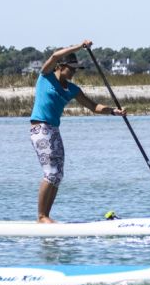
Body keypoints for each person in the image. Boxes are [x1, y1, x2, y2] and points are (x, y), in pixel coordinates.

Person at [30, 40, 126, 223]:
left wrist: (113, 111)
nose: (74, 72)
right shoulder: (46, 76)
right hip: (40, 129)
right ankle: (41, 216)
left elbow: (93, 106)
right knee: (50, 172)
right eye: (71, 68)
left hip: (54, 130)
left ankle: (46, 216)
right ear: (61, 66)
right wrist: (80, 47)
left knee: (58, 173)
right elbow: (55, 55)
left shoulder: (72, 89)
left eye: (76, 69)